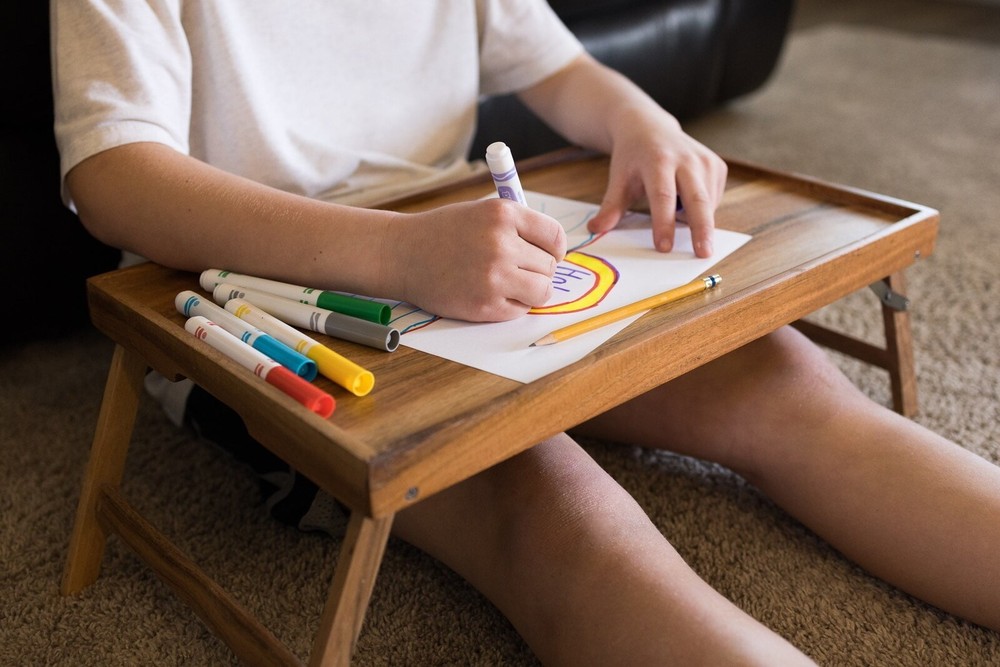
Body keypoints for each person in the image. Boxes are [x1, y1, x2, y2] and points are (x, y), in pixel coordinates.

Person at [52, 1, 1000, 664]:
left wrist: (645, 121)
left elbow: (563, 68)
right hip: (262, 302)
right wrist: (398, 255)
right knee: (554, 511)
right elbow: (115, 177)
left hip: (470, 251)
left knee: (785, 390)